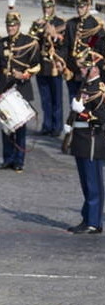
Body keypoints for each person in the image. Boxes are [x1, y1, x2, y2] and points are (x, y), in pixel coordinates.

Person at [0, 0, 40, 172]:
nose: (10, 28)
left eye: (13, 25)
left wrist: (24, 75)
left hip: (20, 90)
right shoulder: (0, 44)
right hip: (4, 90)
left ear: (19, 25)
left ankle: (19, 159)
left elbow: (37, 65)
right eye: (8, 25)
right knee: (6, 127)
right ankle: (8, 158)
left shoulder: (28, 42)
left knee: (19, 127)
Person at [61, 49, 104, 235]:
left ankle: (93, 222)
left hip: (92, 139)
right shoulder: (85, 85)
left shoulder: (100, 90)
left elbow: (100, 118)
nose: (81, 70)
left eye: (85, 67)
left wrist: (83, 112)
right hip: (80, 138)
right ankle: (87, 218)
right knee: (86, 183)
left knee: (93, 183)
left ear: (94, 69)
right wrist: (69, 122)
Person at [31, 0, 69, 138]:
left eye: (49, 7)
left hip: (54, 64)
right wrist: (39, 29)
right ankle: (46, 125)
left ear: (53, 7)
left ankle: (57, 126)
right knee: (45, 98)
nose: (46, 10)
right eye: (44, 7)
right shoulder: (37, 23)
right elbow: (32, 42)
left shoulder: (60, 23)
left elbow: (63, 44)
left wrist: (53, 34)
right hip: (42, 65)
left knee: (56, 99)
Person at [63, 0, 104, 103]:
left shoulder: (95, 26)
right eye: (78, 6)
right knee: (73, 104)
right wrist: (67, 64)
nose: (79, 9)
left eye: (82, 6)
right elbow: (66, 47)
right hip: (73, 70)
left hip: (89, 72)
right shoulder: (71, 24)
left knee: (87, 105)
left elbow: (97, 48)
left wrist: (86, 62)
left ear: (88, 6)